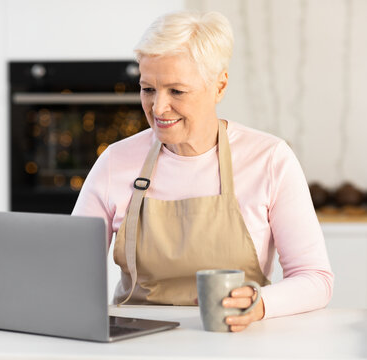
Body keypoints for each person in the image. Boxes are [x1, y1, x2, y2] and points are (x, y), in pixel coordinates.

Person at [72, 10, 334, 332]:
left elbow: (315, 278)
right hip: (135, 341)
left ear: (219, 85)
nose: (157, 108)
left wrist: (260, 304)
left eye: (176, 91)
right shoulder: (116, 161)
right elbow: (74, 272)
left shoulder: (270, 159)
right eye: (148, 89)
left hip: (236, 339)